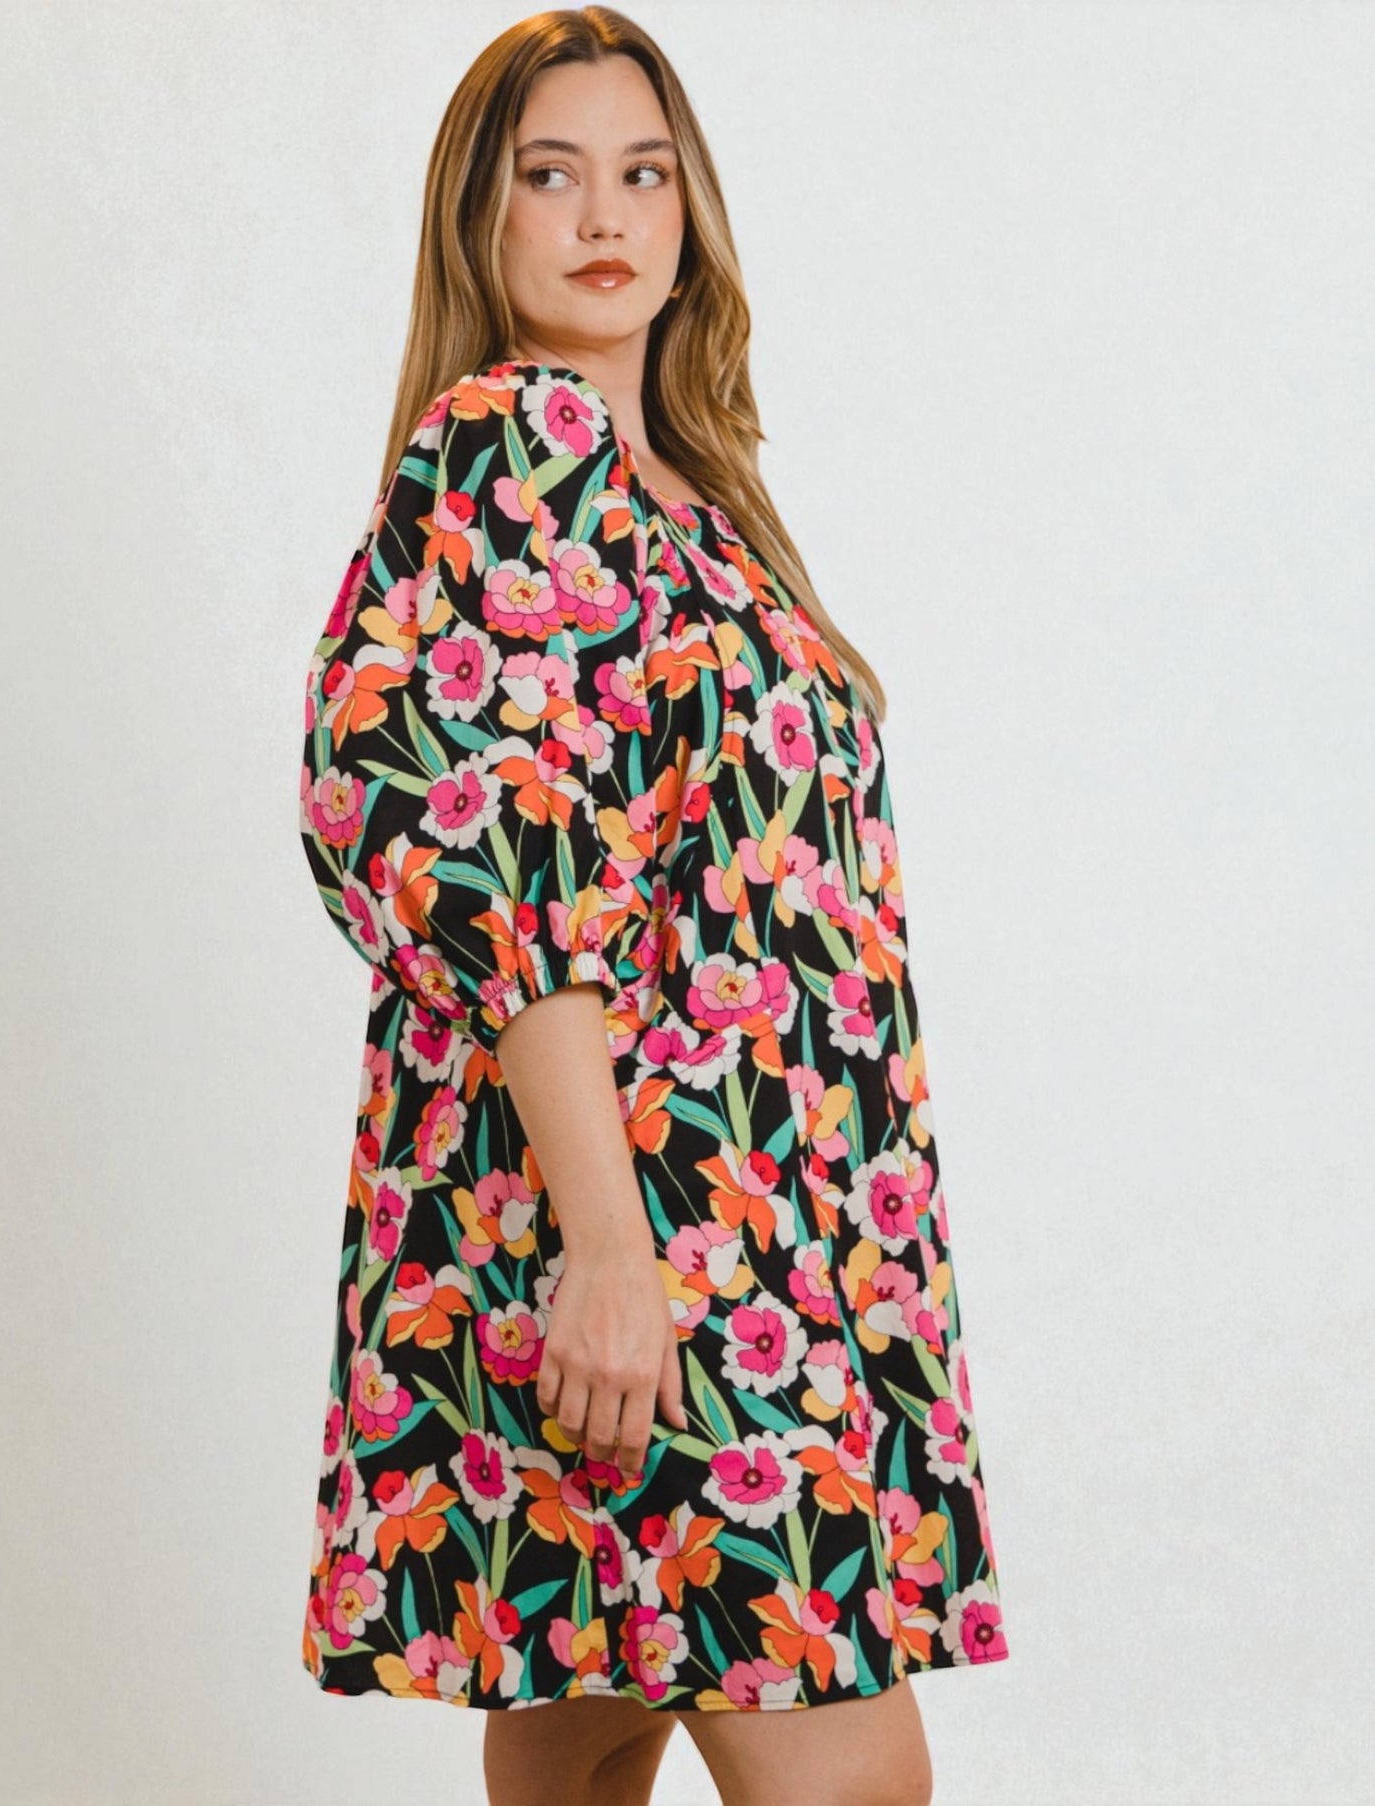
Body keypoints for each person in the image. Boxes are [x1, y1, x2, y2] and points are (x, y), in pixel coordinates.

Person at [297, 9, 1010, 1803]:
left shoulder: (694, 494)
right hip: (653, 1239)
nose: (604, 214)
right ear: (482, 218)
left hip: (770, 1240)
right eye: (551, 174)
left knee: (576, 1738)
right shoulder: (513, 443)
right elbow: (480, 862)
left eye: (644, 170)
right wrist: (612, 1253)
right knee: (847, 1772)